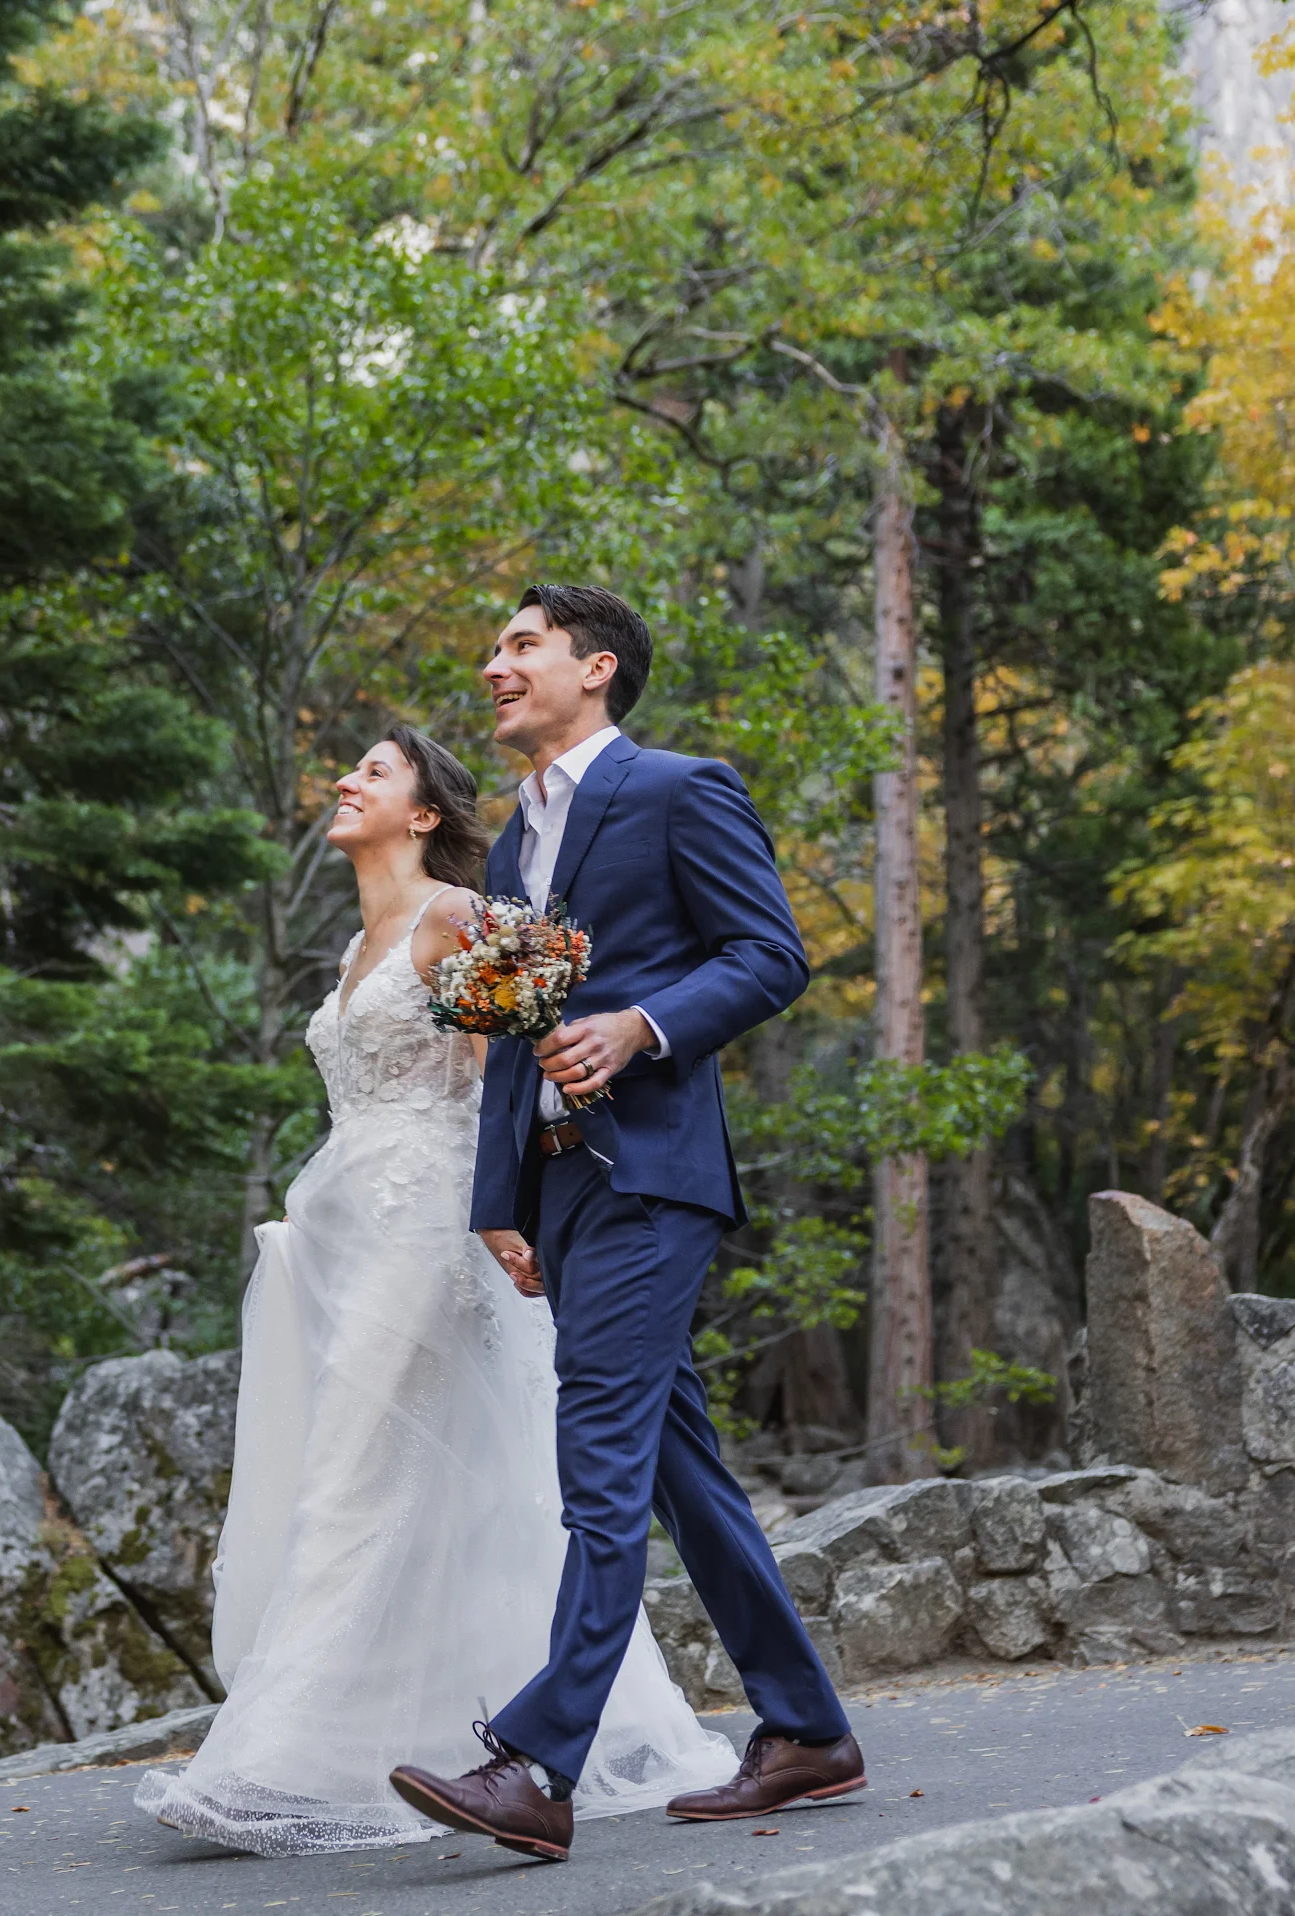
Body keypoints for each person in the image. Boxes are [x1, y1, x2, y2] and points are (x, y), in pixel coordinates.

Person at [133, 724, 733, 1858]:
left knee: (356, 1473)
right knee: (417, 1479)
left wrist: (511, 1207)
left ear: (421, 814)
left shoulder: (454, 914)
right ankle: (390, 1737)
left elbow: (526, 1052)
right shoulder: (353, 943)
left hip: (428, 1226)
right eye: (349, 765)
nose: (347, 780)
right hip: (346, 1227)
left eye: (374, 770)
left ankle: (260, 1764)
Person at [387, 585, 864, 1864]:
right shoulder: (511, 848)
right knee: (673, 1468)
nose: (495, 664)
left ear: (596, 667)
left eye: (521, 644)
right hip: (565, 1184)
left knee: (594, 1448)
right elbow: (503, 1031)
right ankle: (808, 1729)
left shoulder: (676, 787)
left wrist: (644, 1024)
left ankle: (541, 1759)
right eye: (492, 646)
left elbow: (770, 953)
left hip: (654, 1171)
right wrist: (506, 1201)